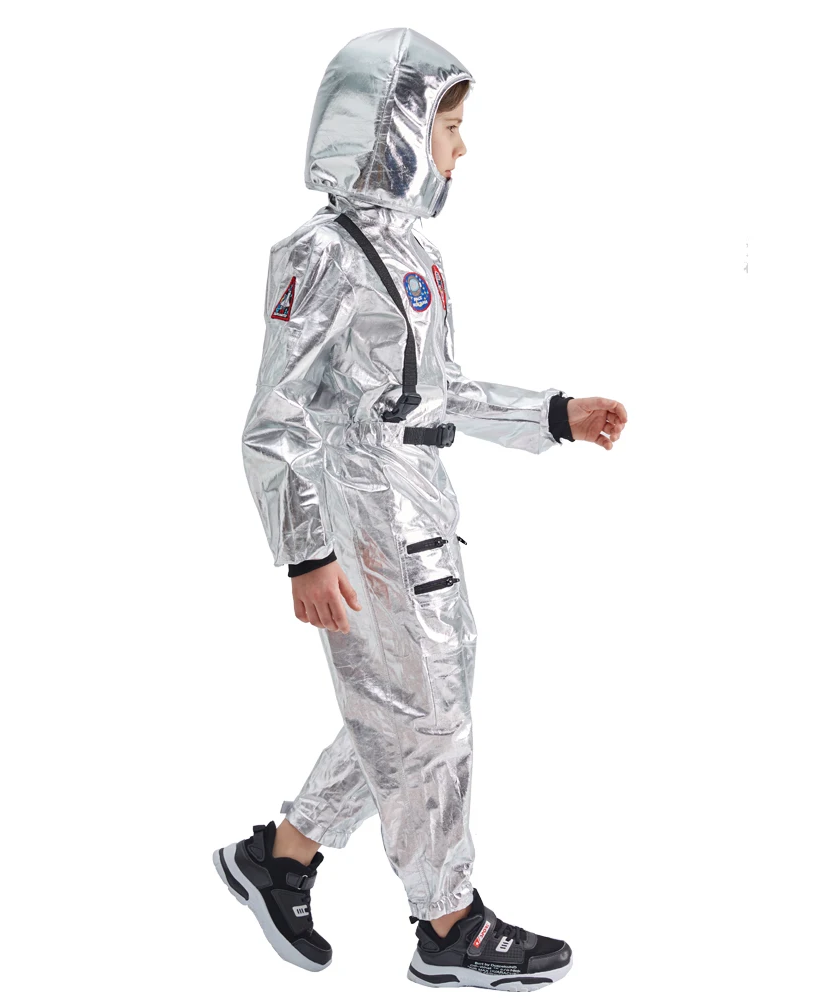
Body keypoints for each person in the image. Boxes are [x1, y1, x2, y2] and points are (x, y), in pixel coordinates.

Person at [213, 26, 628, 990]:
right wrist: (306, 550)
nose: (461, 148)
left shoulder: (414, 255)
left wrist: (553, 414)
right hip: (358, 518)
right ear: (393, 133)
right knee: (425, 722)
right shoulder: (320, 254)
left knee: (415, 710)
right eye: (447, 127)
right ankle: (447, 920)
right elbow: (275, 417)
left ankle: (282, 855)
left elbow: (434, 391)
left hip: (421, 505)